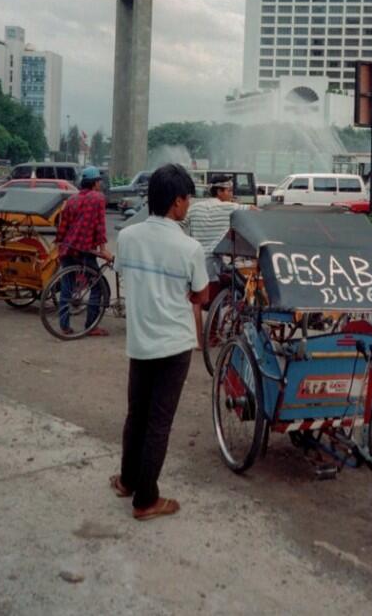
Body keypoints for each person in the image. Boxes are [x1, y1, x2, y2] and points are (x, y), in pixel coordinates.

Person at [111, 164, 208, 520]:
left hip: (140, 342)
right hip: (174, 346)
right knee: (158, 422)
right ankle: (146, 499)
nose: (189, 206)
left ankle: (127, 481)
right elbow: (201, 294)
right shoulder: (189, 247)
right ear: (177, 201)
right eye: (188, 200)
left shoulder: (128, 237)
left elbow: (123, 272)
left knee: (137, 414)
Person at [183, 175, 250, 348]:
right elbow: (254, 213)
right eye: (228, 190)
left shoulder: (194, 208)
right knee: (238, 288)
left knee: (196, 303)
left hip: (194, 261)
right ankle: (214, 335)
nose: (231, 194)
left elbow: (181, 225)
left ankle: (199, 340)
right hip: (213, 264)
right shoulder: (230, 207)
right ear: (219, 191)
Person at [55, 165, 113, 336]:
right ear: (95, 183)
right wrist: (103, 250)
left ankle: (64, 326)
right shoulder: (97, 198)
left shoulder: (72, 199)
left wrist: (59, 244)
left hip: (68, 248)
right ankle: (91, 326)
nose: (101, 184)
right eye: (99, 181)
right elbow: (100, 225)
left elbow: (63, 225)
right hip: (83, 249)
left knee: (67, 286)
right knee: (98, 287)